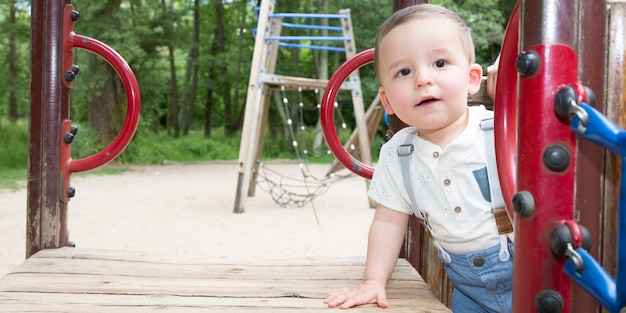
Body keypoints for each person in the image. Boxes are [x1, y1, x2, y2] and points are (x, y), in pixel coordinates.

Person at [324, 4, 513, 312]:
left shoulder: (499, 128)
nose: (422, 79)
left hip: (529, 272)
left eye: (440, 62)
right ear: (387, 100)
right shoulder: (398, 155)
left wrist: (512, 89)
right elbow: (388, 220)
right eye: (404, 71)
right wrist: (373, 281)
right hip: (468, 291)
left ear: (472, 78)